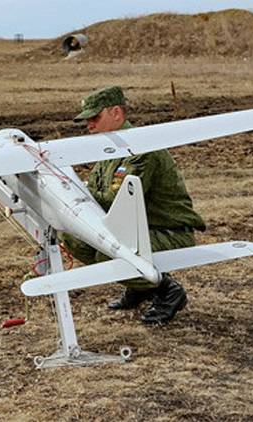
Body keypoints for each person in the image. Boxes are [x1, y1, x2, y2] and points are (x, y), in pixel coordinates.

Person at [63, 86, 206, 325]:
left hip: (169, 232)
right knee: (76, 239)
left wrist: (84, 192)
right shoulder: (112, 148)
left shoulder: (140, 149)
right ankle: (139, 287)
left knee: (106, 253)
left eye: (95, 117)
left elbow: (112, 199)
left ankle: (167, 291)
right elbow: (97, 192)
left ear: (116, 113)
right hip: (140, 230)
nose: (89, 124)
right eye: (86, 119)